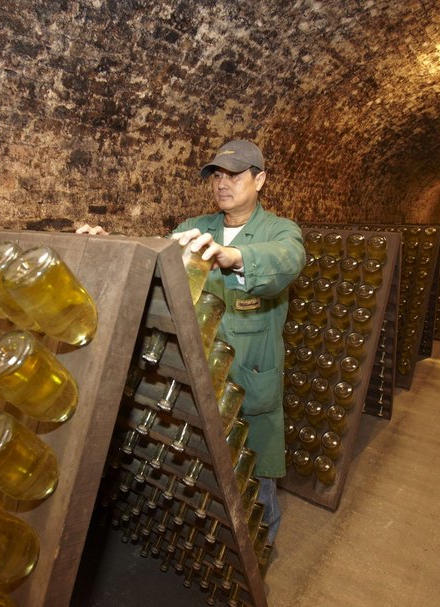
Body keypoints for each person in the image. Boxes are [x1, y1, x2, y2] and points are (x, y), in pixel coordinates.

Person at [78, 139, 305, 544]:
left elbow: (287, 260)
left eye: (234, 174)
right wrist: (107, 243)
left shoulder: (279, 230)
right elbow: (153, 260)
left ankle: (263, 553)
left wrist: (234, 256)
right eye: (217, 175)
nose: (223, 183)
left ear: (260, 180)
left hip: (249, 381)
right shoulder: (193, 228)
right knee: (211, 482)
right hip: (198, 378)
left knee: (257, 490)